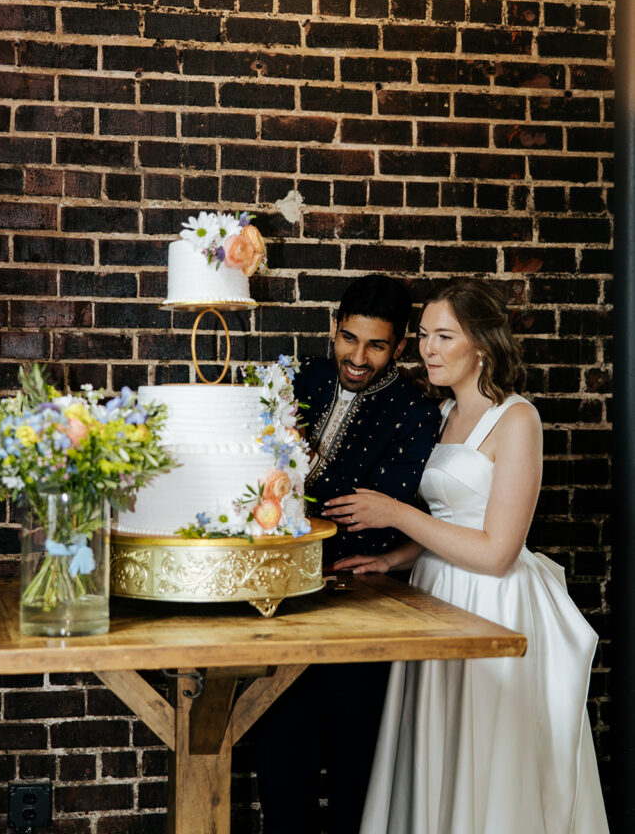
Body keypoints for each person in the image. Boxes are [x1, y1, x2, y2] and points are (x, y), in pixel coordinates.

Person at [325, 277, 610, 834]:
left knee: (485, 754)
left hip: (491, 602)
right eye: (424, 335)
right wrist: (393, 560)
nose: (429, 349)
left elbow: (499, 551)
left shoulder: (517, 419)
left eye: (445, 336)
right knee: (437, 749)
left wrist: (395, 513)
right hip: (436, 595)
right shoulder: (442, 414)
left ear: (480, 343)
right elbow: (453, 519)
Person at [254, 274, 440, 834]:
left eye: (376, 346)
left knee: (355, 770)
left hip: (363, 603)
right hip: (284, 598)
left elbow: (372, 509)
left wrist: (299, 465)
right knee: (280, 759)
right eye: (349, 339)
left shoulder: (414, 411)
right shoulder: (300, 379)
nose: (358, 358)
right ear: (334, 330)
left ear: (399, 347)